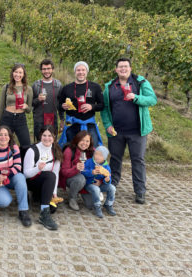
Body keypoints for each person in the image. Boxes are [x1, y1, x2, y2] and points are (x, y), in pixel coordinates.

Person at [101, 57, 157, 204]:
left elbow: (152, 99)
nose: (123, 69)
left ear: (130, 68)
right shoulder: (110, 86)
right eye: (120, 67)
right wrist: (107, 124)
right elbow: (105, 109)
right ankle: (111, 186)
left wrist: (136, 97)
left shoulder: (140, 82)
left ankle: (140, 191)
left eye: (126, 66)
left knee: (137, 160)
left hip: (137, 131)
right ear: (116, 70)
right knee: (115, 159)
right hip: (116, 132)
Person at [0, 126, 32, 227]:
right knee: (5, 202)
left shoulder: (14, 148)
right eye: (0, 135)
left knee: (20, 177)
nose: (3, 137)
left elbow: (17, 167)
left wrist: (4, 177)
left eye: (6, 135)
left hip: (7, 177)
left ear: (10, 137)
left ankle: (23, 211)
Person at [23, 125, 62, 230]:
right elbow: (25, 173)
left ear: (54, 137)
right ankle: (44, 215)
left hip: (46, 183)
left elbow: (56, 173)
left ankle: (39, 197)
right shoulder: (32, 150)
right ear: (40, 136)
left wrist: (54, 194)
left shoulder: (56, 151)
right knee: (49, 176)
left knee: (53, 208)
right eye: (44, 135)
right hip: (30, 181)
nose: (47, 138)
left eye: (50, 135)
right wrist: (37, 169)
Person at [59, 61, 104, 147]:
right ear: (75, 72)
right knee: (70, 149)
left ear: (87, 72)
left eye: (83, 70)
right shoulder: (67, 88)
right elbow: (59, 105)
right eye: (78, 70)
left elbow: (102, 105)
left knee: (92, 149)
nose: (81, 72)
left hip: (89, 123)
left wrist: (92, 106)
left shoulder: (95, 87)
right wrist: (63, 106)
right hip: (72, 124)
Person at [0, 63, 33, 150]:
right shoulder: (6, 87)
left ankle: (20, 161)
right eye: (16, 72)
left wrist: (26, 107)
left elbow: (29, 109)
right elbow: (1, 107)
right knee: (3, 144)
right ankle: (5, 162)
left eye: (20, 73)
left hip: (21, 119)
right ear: (12, 73)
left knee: (26, 145)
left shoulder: (28, 89)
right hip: (7, 117)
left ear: (23, 75)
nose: (18, 75)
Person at [59, 130, 94, 211]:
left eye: (87, 141)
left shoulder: (91, 151)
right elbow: (64, 172)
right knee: (80, 179)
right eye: (82, 140)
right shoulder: (69, 150)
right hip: (71, 178)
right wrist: (76, 168)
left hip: (87, 178)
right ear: (77, 139)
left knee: (91, 204)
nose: (84, 143)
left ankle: (84, 190)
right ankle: (72, 198)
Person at [32, 59, 64, 142]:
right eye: (44, 69)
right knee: (39, 143)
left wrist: (62, 119)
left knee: (52, 142)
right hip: (39, 120)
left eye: (48, 68)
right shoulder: (36, 85)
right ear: (41, 70)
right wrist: (38, 99)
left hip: (53, 119)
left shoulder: (58, 84)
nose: (46, 71)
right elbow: (30, 104)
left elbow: (60, 104)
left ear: (52, 69)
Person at [82, 146, 116, 218]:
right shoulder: (89, 162)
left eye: (100, 155)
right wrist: (91, 172)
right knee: (96, 189)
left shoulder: (106, 166)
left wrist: (106, 180)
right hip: (89, 184)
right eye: (96, 154)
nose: (97, 156)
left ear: (104, 157)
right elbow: (83, 172)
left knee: (112, 188)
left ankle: (108, 204)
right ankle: (97, 206)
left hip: (101, 185)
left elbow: (108, 177)